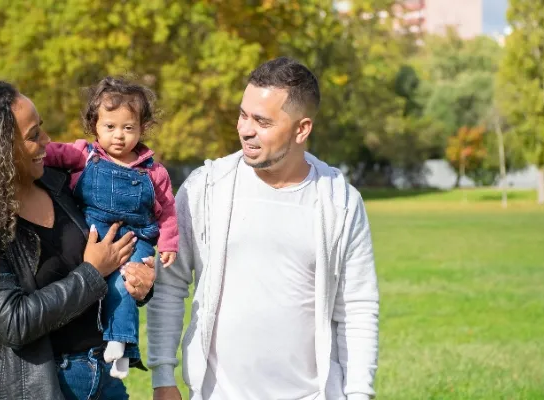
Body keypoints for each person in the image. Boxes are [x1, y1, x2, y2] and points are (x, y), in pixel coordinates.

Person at [0, 81, 157, 400]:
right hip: (41, 388)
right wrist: (91, 272)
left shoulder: (63, 186)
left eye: (42, 129)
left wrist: (140, 280)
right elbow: (13, 322)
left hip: (105, 378)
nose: (47, 141)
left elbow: (118, 246)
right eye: (33, 135)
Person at [147, 57, 380, 400]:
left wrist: (359, 394)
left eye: (262, 121)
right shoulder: (205, 188)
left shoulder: (340, 202)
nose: (245, 129)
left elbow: (357, 306)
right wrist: (163, 376)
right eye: (243, 114)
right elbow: (170, 283)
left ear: (302, 129)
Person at [43, 76, 178, 380]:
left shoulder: (153, 171)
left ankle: (121, 344)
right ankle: (115, 345)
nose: (119, 136)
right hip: (93, 233)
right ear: (95, 127)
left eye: (128, 128)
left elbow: (168, 210)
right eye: (110, 127)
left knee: (124, 285)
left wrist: (168, 243)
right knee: (92, 286)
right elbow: (50, 152)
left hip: (135, 238)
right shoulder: (84, 154)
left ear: (142, 128)